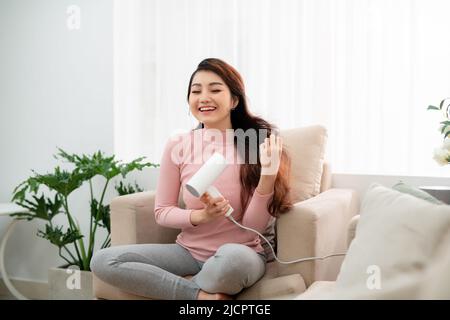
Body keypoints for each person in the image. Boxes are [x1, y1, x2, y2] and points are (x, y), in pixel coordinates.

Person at [90, 58, 292, 300]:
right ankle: (200, 296)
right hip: (187, 252)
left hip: (242, 252)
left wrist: (268, 177)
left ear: (234, 100)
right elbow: (162, 211)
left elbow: (253, 229)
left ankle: (183, 285)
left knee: (231, 260)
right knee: (104, 260)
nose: (204, 97)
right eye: (196, 91)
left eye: (215, 89)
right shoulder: (180, 144)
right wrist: (200, 216)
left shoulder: (253, 144)